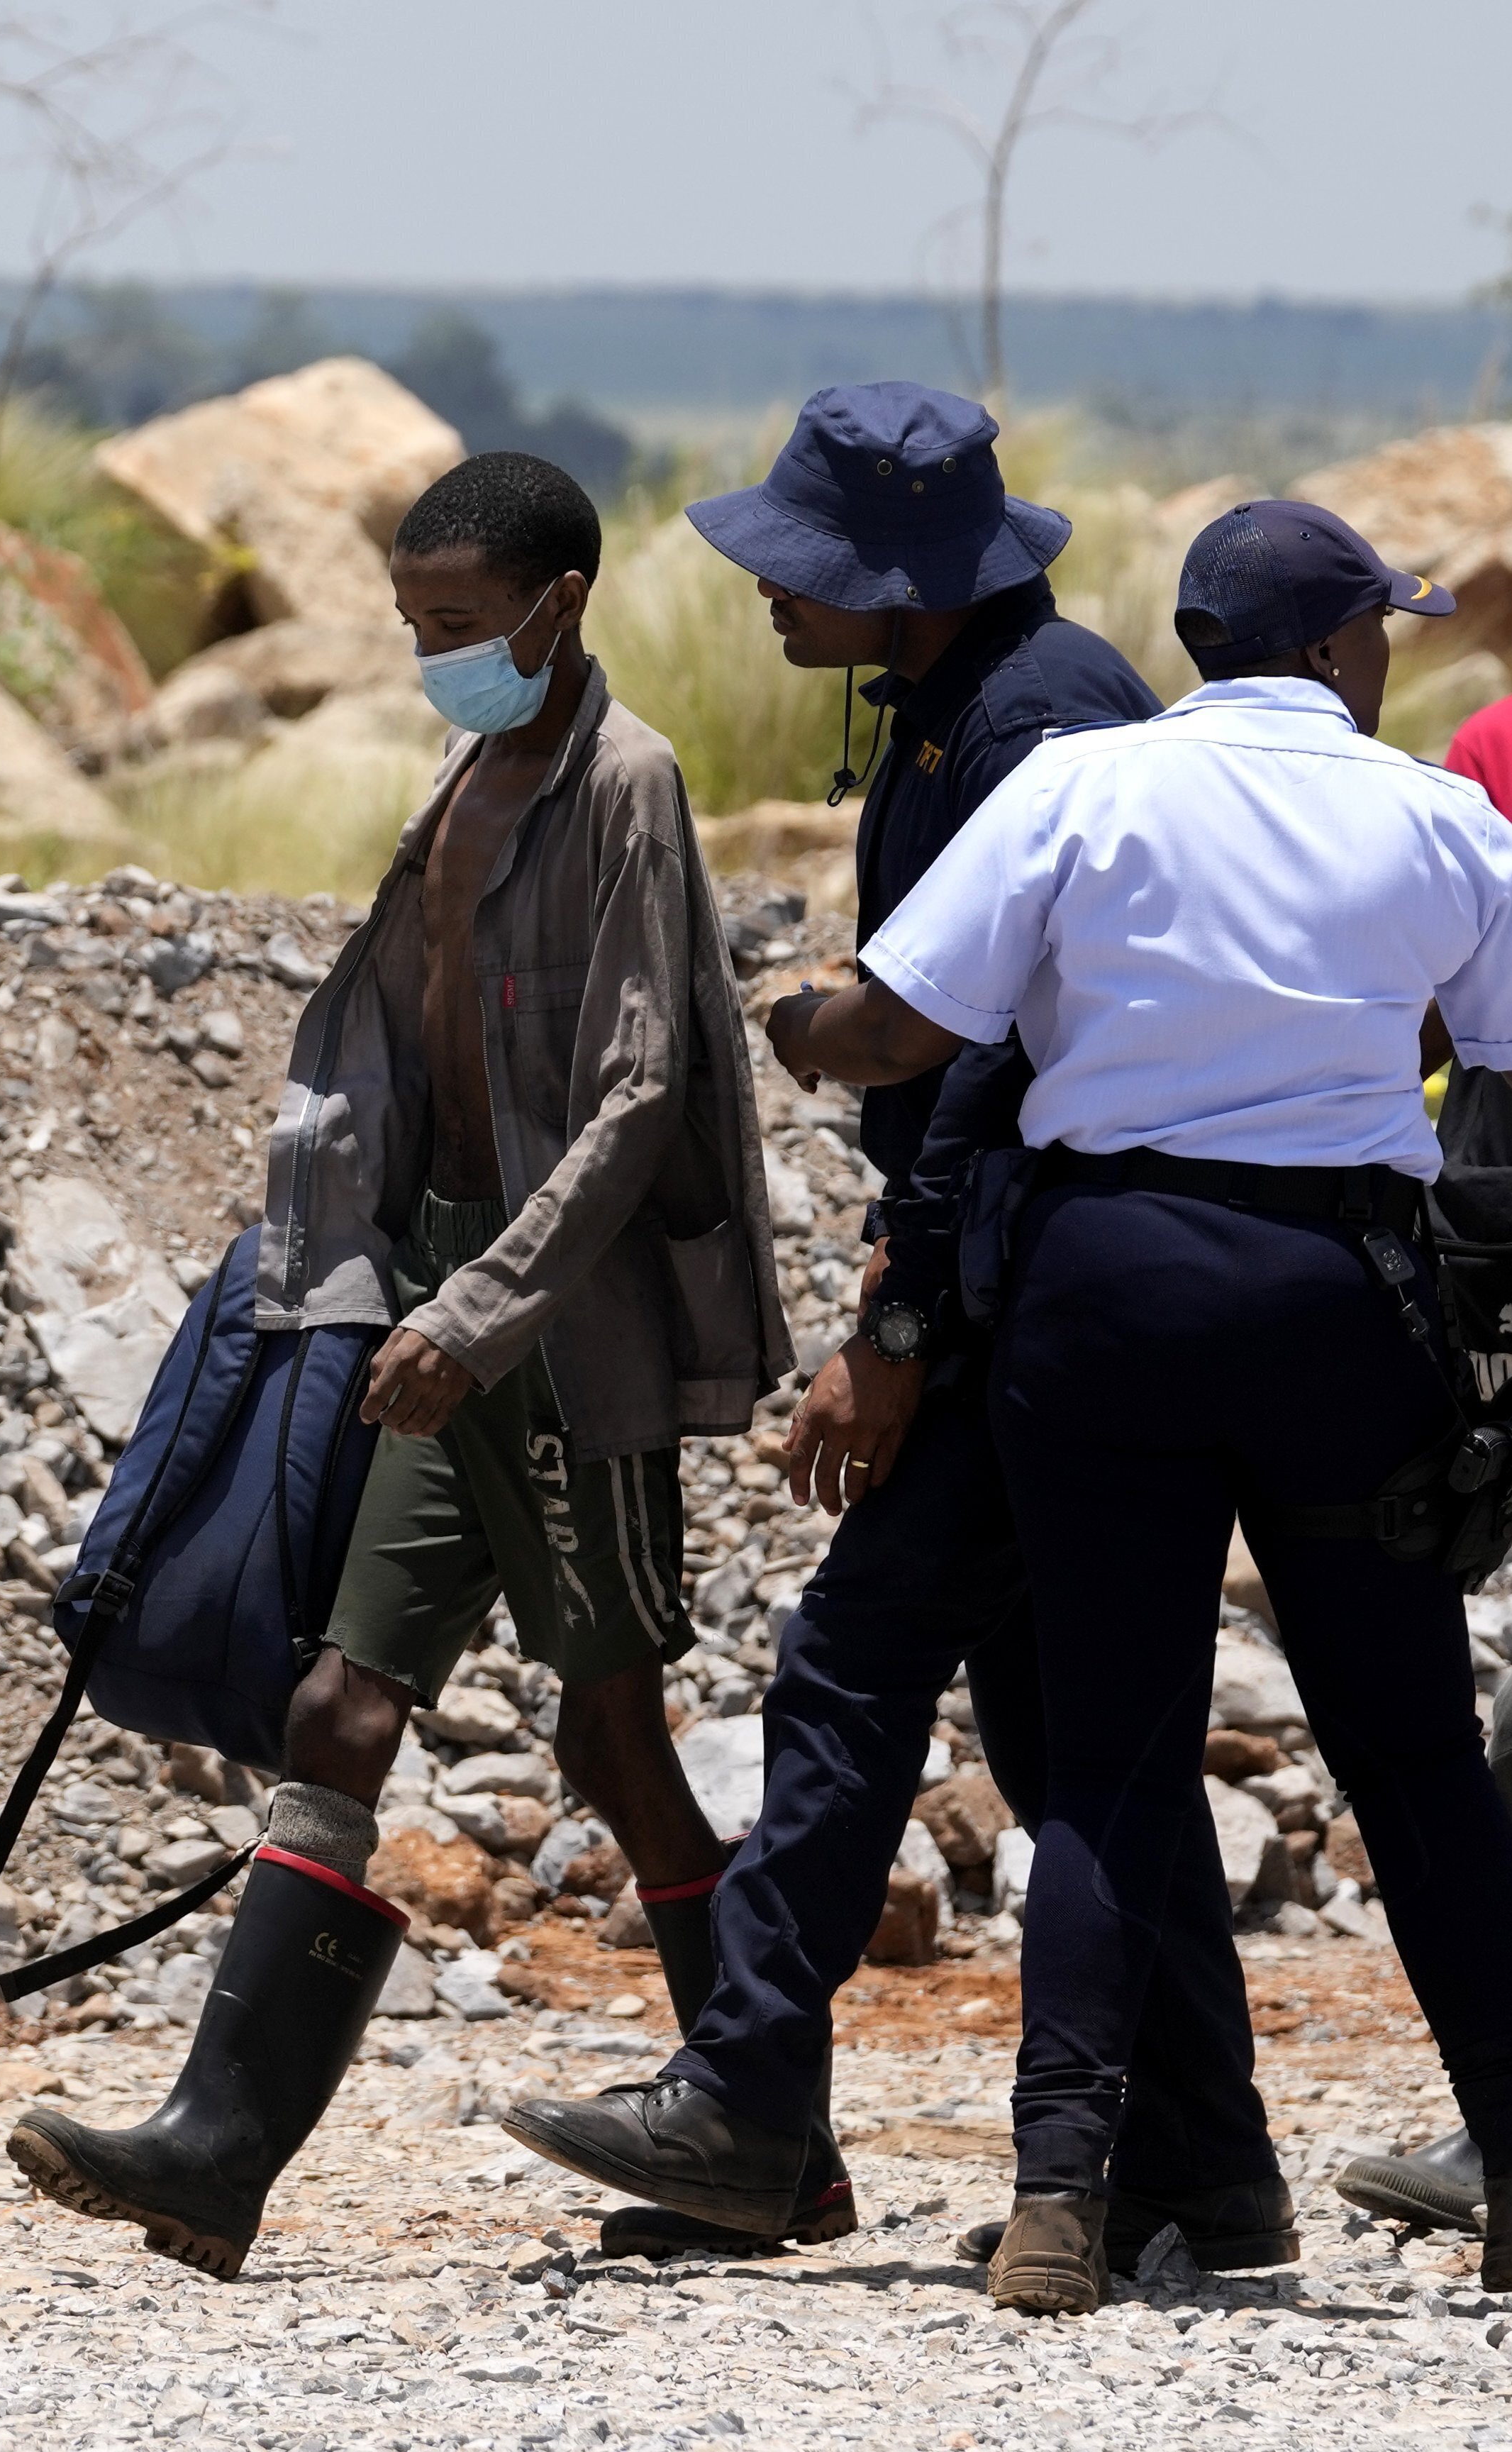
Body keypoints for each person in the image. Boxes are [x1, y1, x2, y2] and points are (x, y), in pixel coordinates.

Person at [501, 383, 1291, 2270]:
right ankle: (1213, 2162)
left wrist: (907, 1316)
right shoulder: (955, 703)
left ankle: (747, 2101)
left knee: (851, 1661)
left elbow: (1002, 1051)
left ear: (899, 579)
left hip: (1033, 1289)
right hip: (1003, 1272)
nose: (773, 597)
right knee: (1060, 1747)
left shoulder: (1038, 721)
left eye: (807, 568)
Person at [4, 453, 791, 2279]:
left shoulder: (626, 785)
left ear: (557, 608)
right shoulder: (466, 774)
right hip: (434, 1307)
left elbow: (631, 1096)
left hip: (556, 1333)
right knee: (339, 1709)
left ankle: (765, 2124)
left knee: (611, 1738)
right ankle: (214, 2153)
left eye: (457, 627)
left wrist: (479, 1310)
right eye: (412, 626)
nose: (431, 657)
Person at [755, 498, 1512, 2314]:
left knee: (1107, 1760)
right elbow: (1494, 1058)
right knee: (1411, 1755)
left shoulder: (1080, 789)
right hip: (1341, 1296)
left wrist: (786, 1022)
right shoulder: (1434, 814)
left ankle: (1056, 2207)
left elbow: (896, 1028)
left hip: (1104, 1298)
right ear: (1342, 647)